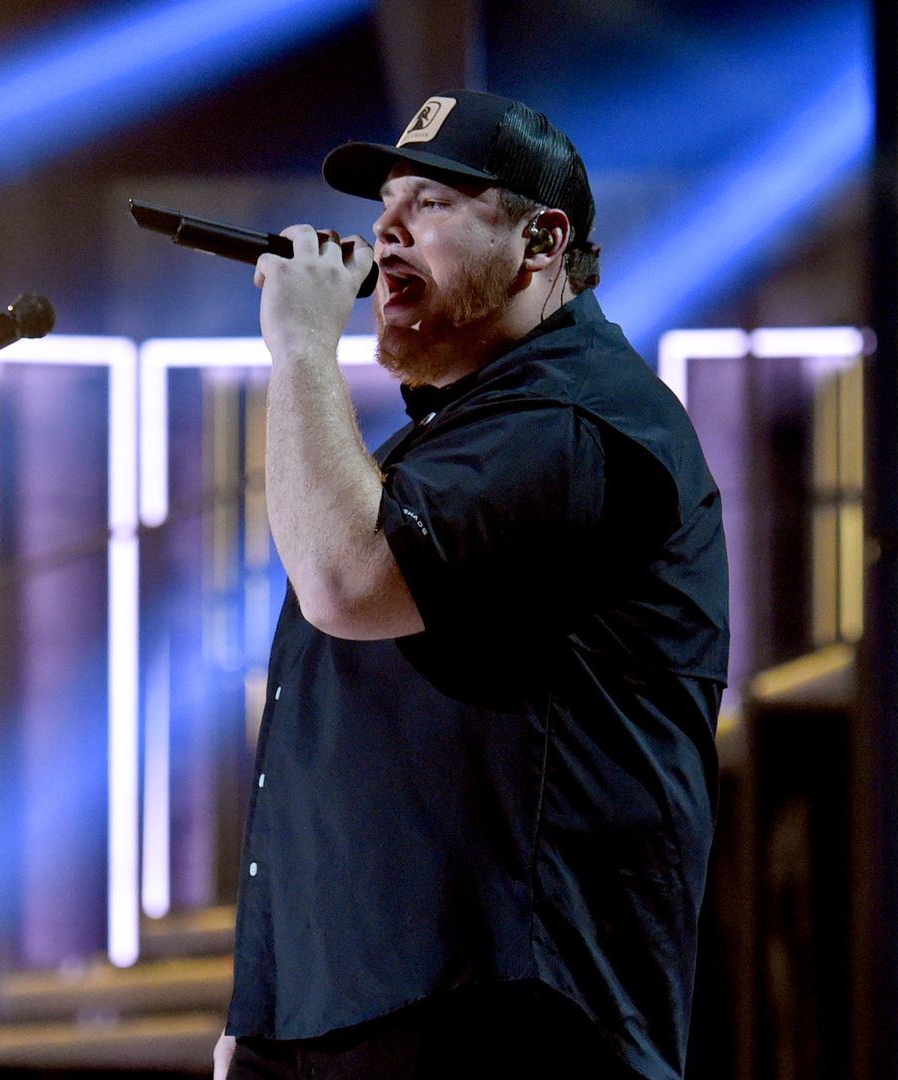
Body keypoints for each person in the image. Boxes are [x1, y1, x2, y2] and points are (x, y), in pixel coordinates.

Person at [212, 91, 728, 1080]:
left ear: (542, 241)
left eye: (434, 202)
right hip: (357, 1015)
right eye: (384, 206)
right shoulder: (458, 438)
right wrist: (267, 1008)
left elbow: (346, 579)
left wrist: (303, 347)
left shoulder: (580, 419)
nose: (386, 230)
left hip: (497, 1023)